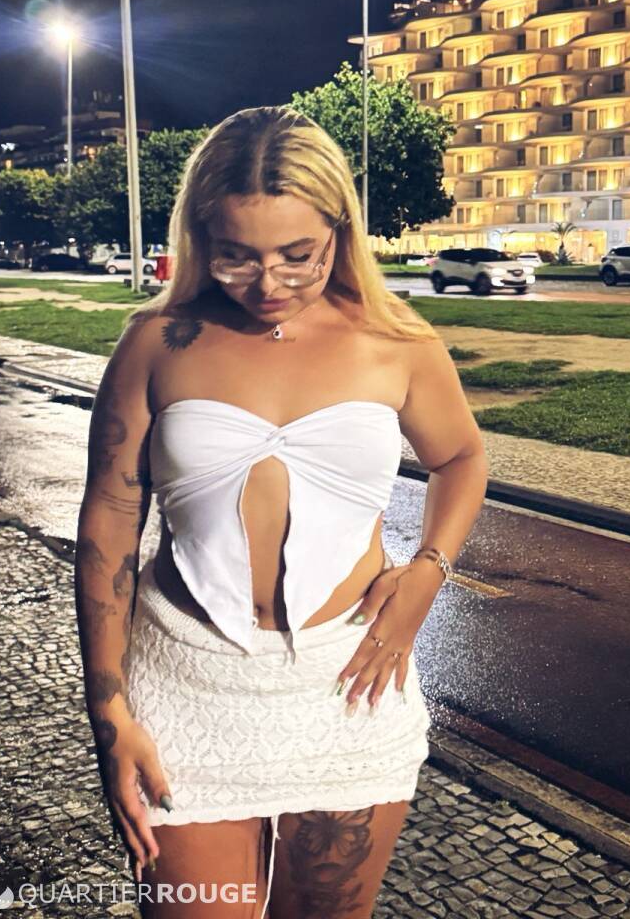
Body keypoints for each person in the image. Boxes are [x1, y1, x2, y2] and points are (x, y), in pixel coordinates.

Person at [74, 106, 489, 918]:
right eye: (236, 255)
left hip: (348, 688)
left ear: (339, 231)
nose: (268, 284)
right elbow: (111, 518)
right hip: (188, 687)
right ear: (200, 236)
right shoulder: (157, 342)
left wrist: (427, 573)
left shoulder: (397, 342)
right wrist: (109, 712)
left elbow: (461, 459)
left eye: (297, 256)